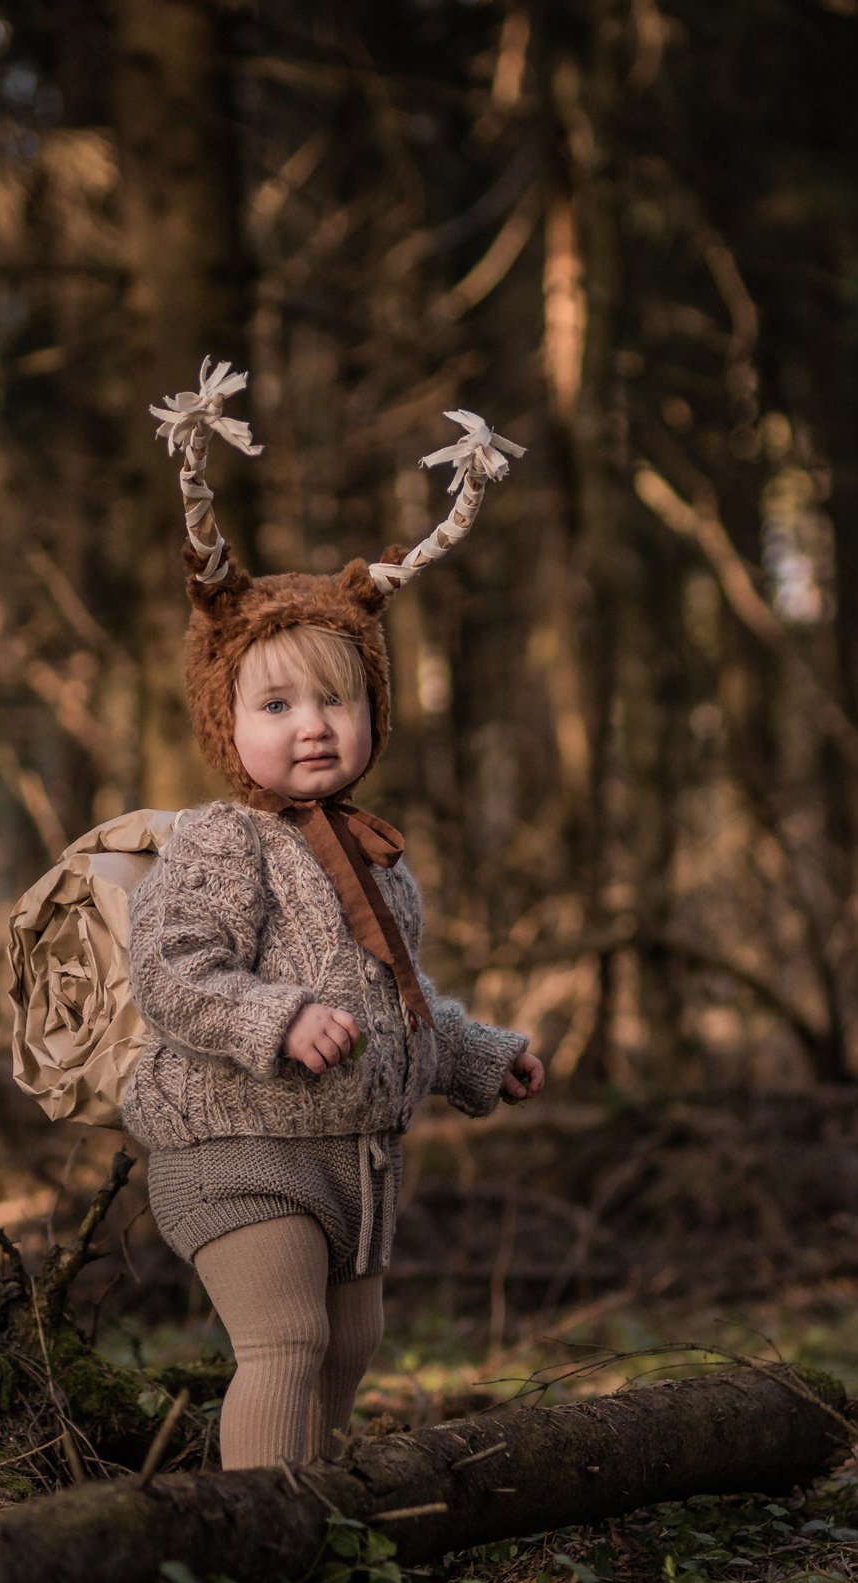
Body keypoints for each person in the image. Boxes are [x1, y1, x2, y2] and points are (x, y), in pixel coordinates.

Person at [122, 366, 545, 1471]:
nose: (311, 726)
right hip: (236, 1144)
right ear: (227, 717)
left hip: (351, 1162)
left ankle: (316, 1517)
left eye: (336, 699)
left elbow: (395, 997)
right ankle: (251, 1548)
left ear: (373, 711)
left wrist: (474, 1056)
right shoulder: (223, 839)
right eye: (275, 704)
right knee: (286, 1337)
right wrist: (275, 1016)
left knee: (352, 1344)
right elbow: (170, 970)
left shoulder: (376, 858)